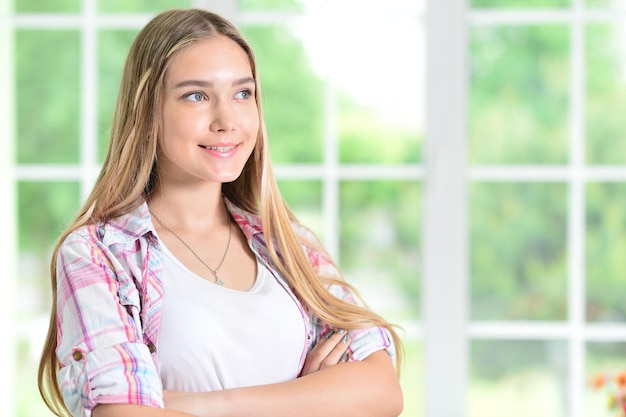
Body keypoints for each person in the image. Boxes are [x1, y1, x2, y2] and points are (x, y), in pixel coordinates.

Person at [37, 8, 404, 417]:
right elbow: (123, 415)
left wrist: (197, 405)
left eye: (242, 93)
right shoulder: (99, 253)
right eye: (197, 96)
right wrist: (309, 397)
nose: (227, 120)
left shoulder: (288, 246)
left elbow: (381, 390)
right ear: (146, 114)